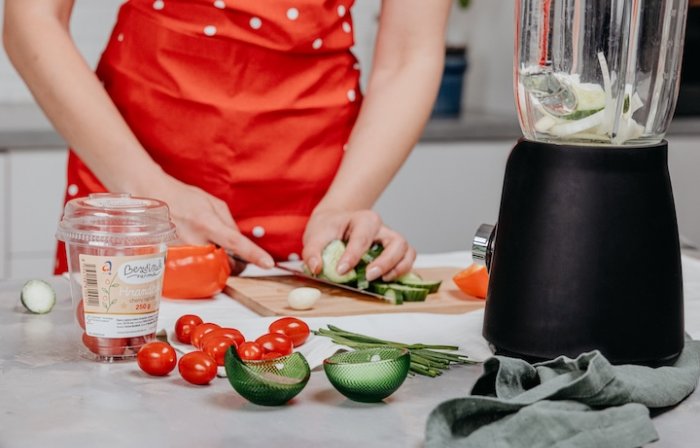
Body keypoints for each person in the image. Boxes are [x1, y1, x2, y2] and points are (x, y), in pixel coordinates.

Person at [3, 0, 451, 281]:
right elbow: (31, 18)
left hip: (314, 190)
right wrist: (147, 189)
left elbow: (411, 53)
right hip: (133, 168)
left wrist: (344, 204)